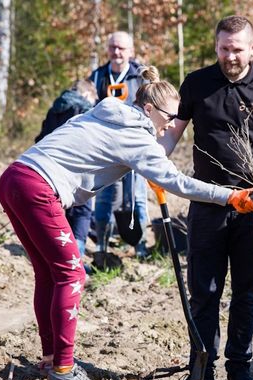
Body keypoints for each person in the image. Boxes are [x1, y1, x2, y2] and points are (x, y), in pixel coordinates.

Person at [0, 65, 253, 380]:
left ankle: (51, 359)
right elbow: (178, 182)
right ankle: (63, 367)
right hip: (38, 188)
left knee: (49, 273)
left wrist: (147, 165)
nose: (169, 128)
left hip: (14, 177)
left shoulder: (108, 111)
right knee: (72, 274)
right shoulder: (138, 137)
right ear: (149, 109)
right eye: (168, 119)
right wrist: (230, 197)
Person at [158, 15, 253, 380]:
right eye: (223, 48)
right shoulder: (197, 83)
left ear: (252, 48)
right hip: (206, 203)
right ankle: (200, 373)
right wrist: (152, 162)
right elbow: (173, 135)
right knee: (205, 293)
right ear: (216, 46)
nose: (230, 56)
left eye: (237, 49)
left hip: (252, 204)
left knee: (247, 292)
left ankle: (240, 369)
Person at [89, 31, 150, 259]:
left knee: (137, 197)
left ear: (131, 51)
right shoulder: (98, 76)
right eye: (113, 47)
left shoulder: (141, 76)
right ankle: (102, 247)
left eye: (122, 48)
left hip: (135, 149)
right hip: (105, 151)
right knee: (104, 197)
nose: (117, 52)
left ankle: (140, 246)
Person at [35, 80, 98, 262]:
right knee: (82, 211)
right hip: (77, 170)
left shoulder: (55, 108)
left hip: (50, 170)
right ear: (87, 95)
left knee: (63, 212)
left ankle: (59, 256)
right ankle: (74, 260)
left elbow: (41, 138)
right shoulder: (84, 109)